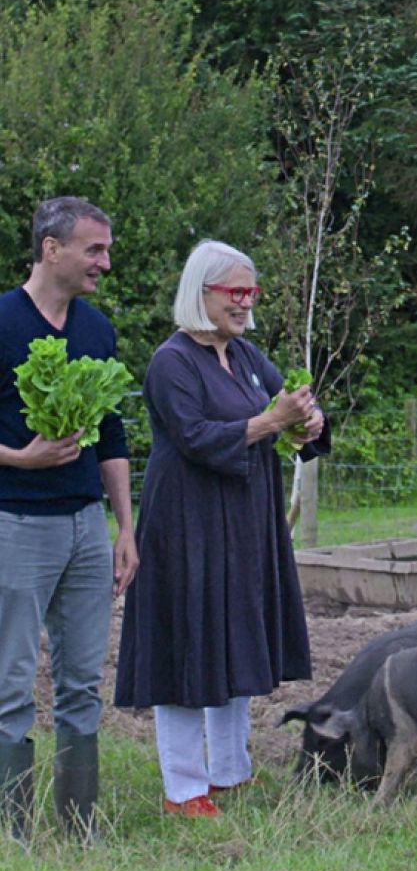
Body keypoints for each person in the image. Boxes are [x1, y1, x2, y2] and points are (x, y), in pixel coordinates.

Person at [114, 239, 328, 817]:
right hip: (187, 526)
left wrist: (308, 422)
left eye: (250, 292)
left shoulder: (247, 356)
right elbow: (198, 438)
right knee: (187, 645)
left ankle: (231, 771)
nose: (245, 302)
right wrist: (271, 420)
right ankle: (183, 789)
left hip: (244, 524)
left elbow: (288, 409)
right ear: (200, 291)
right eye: (235, 291)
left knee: (233, 640)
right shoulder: (172, 362)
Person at [0, 196, 138, 845]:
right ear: (51, 249)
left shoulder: (95, 329)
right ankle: (13, 833)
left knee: (84, 681)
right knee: (12, 683)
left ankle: (81, 826)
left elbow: (111, 438)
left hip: (86, 526)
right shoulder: (1, 321)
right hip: (17, 525)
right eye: (94, 249)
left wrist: (125, 528)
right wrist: (19, 458)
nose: (104, 263)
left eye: (106, 250)